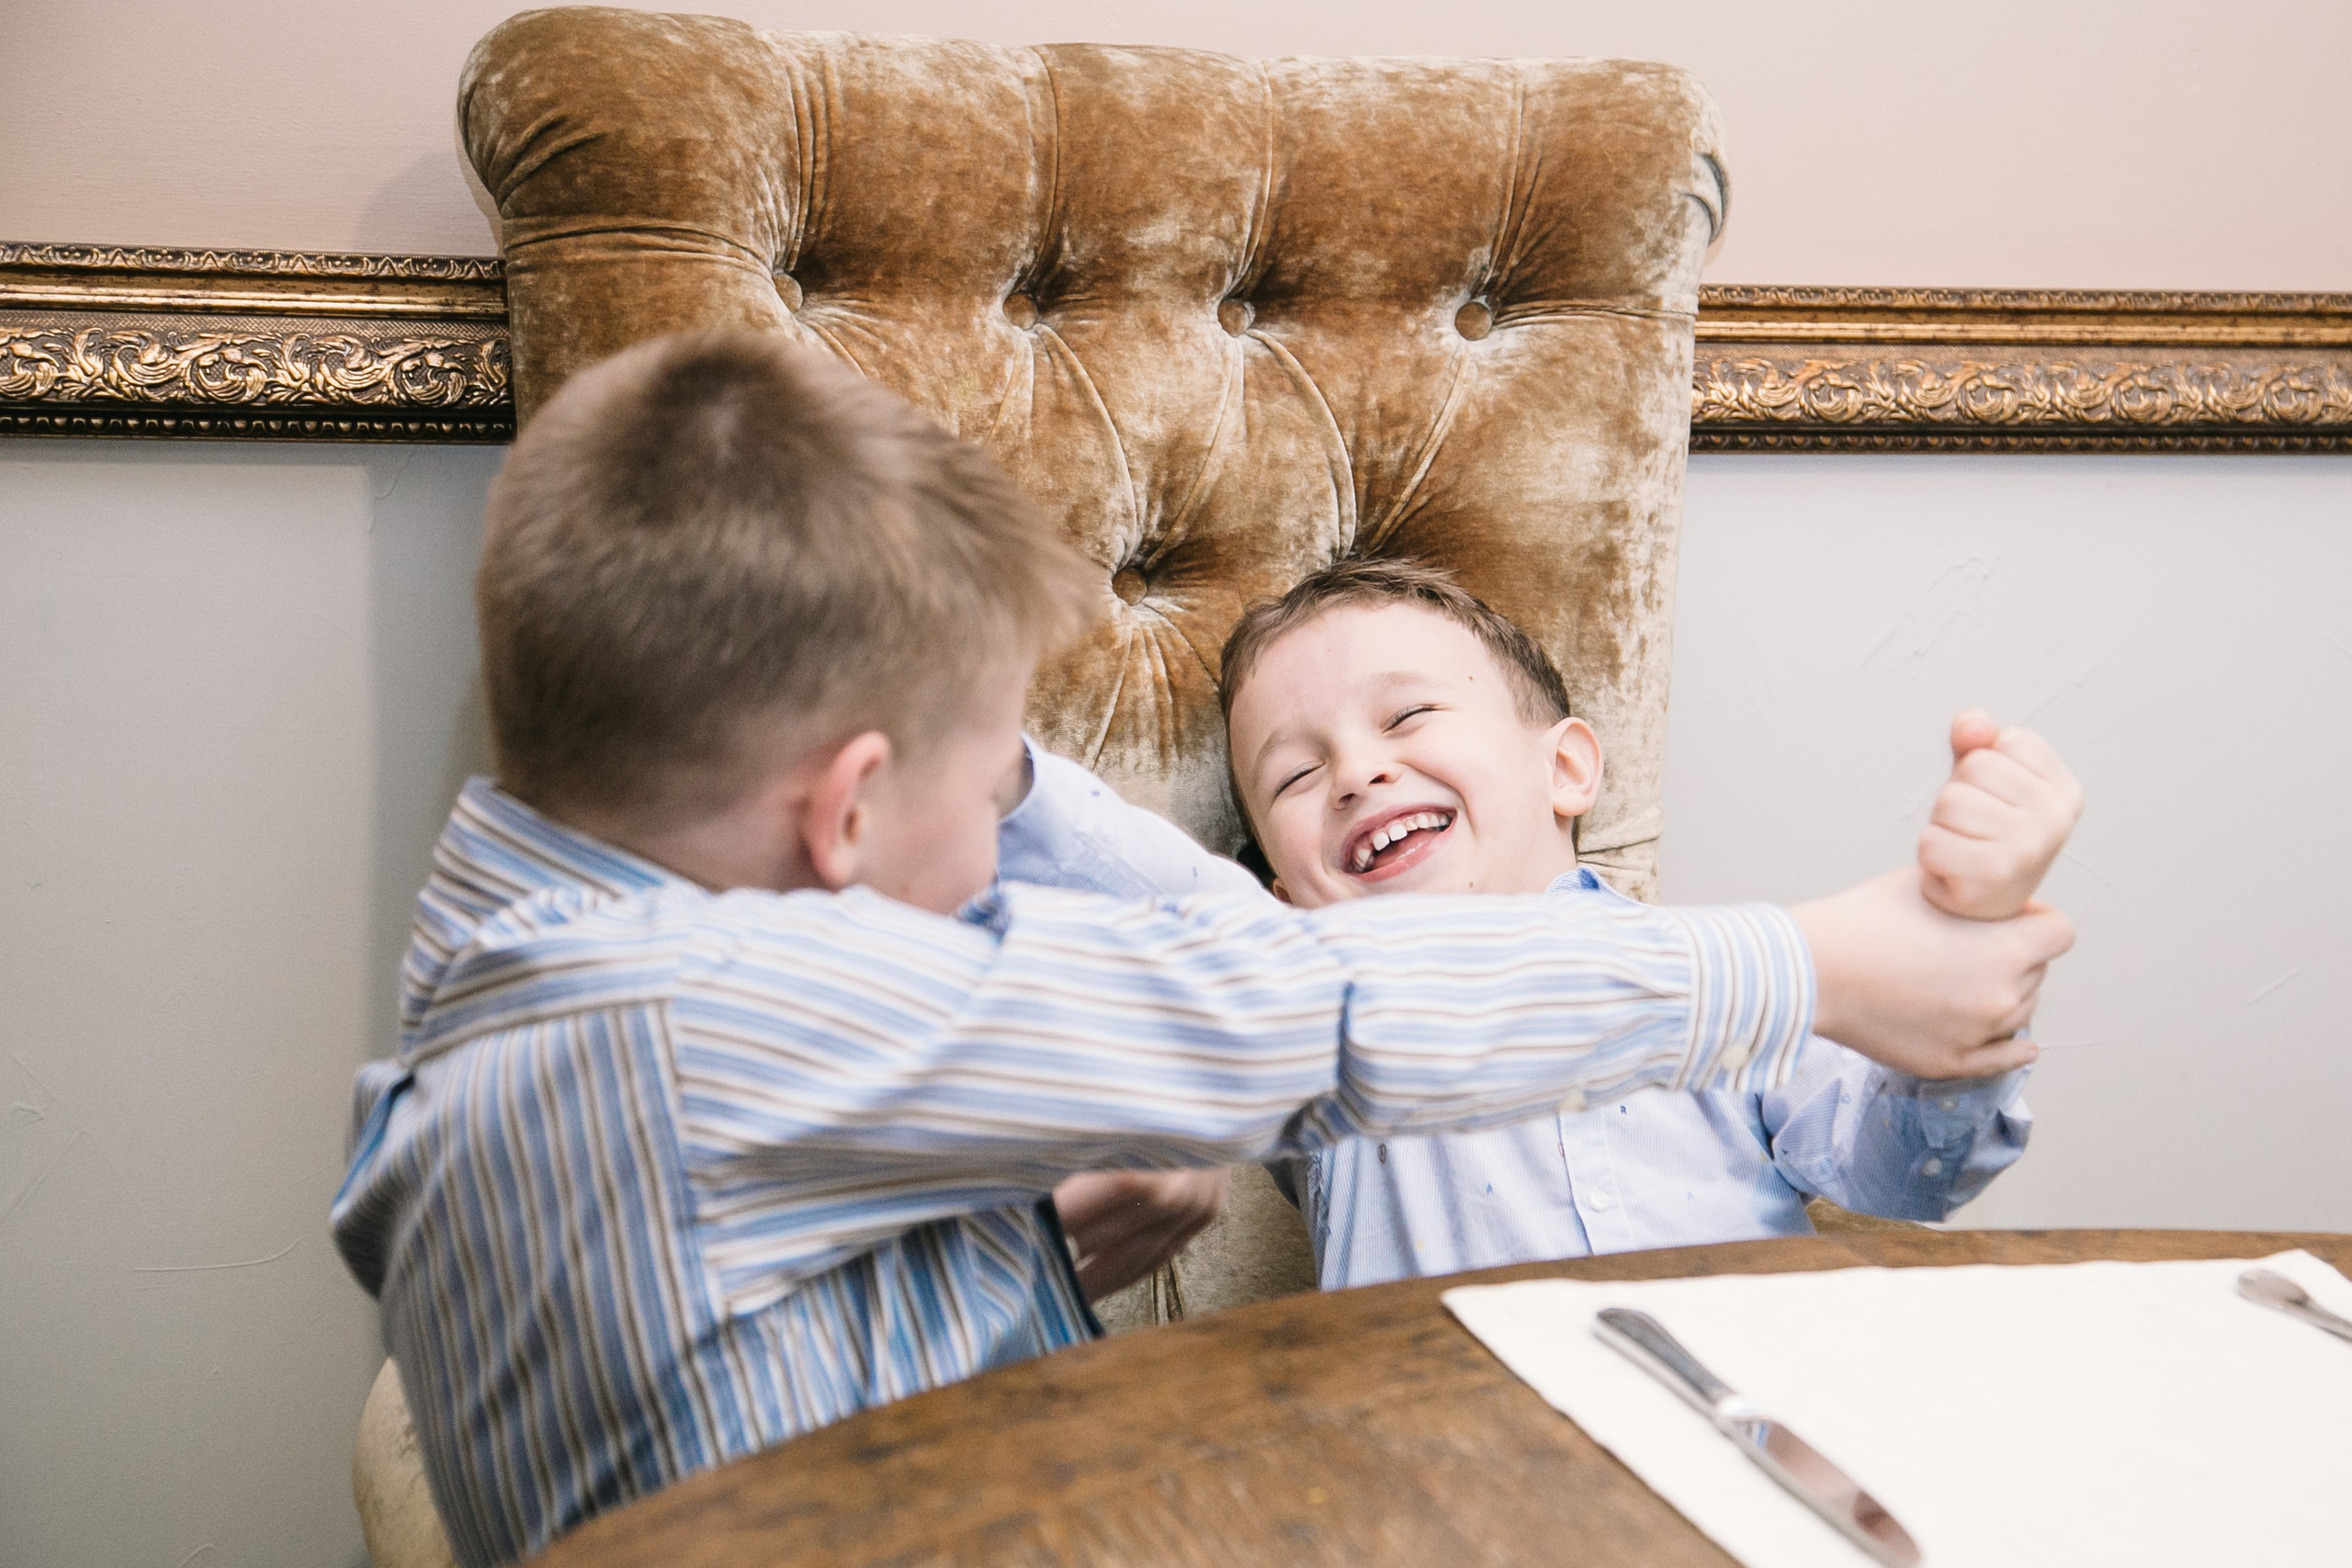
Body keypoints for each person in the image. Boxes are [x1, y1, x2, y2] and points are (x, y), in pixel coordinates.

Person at [330, 333, 2070, 1566]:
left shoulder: (522, 987)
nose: (1011, 852)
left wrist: (1017, 1261)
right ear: (842, 815)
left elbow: (741, 1352)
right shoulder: (721, 1021)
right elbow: (1296, 1004)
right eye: (997, 790)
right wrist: (1818, 961)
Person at [1213, 558, 2082, 1287]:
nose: (1355, 773)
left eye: (1406, 716)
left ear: (1565, 768)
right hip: (1456, 1429)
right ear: (1285, 898)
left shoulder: (1728, 981)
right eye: (1296, 776)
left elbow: (1909, 1176)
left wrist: (1962, 982)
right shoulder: (1316, 1043)